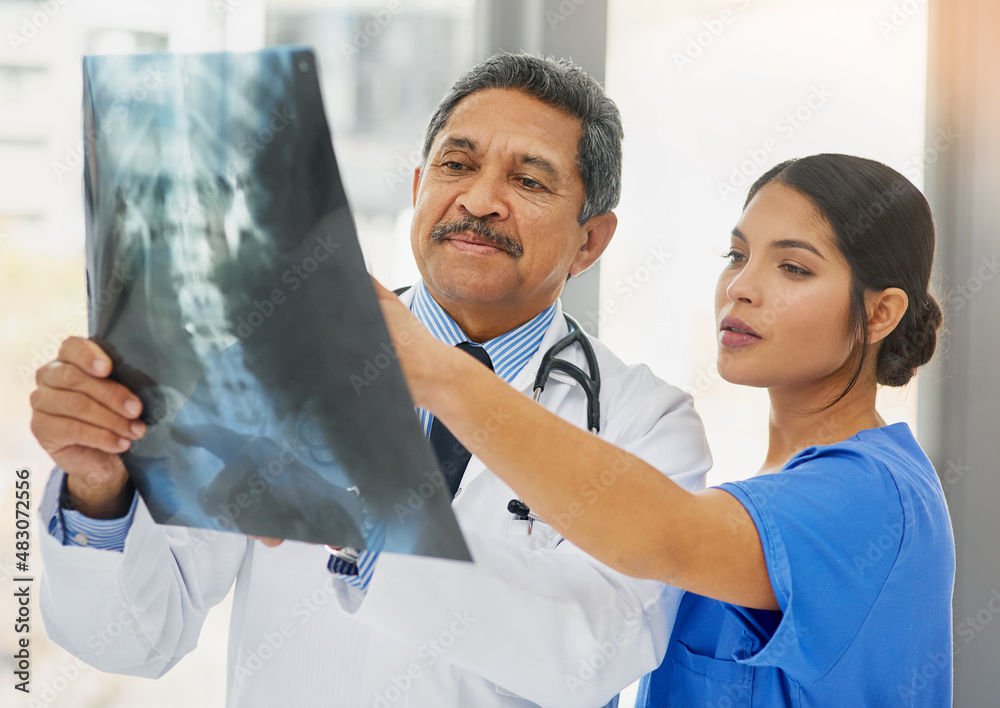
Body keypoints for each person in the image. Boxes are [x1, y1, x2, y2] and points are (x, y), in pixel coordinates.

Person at [30, 53, 711, 707]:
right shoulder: (272, 361)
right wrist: (98, 489)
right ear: (419, 191)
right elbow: (135, 640)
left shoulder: (644, 423)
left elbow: (594, 653)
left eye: (529, 181)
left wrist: (361, 521)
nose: (480, 199)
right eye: (457, 164)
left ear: (590, 241)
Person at [373, 153, 956, 705]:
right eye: (736, 255)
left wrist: (440, 372)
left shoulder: (873, 497)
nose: (741, 288)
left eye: (793, 267)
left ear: (879, 313)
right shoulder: (769, 491)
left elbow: (657, 536)